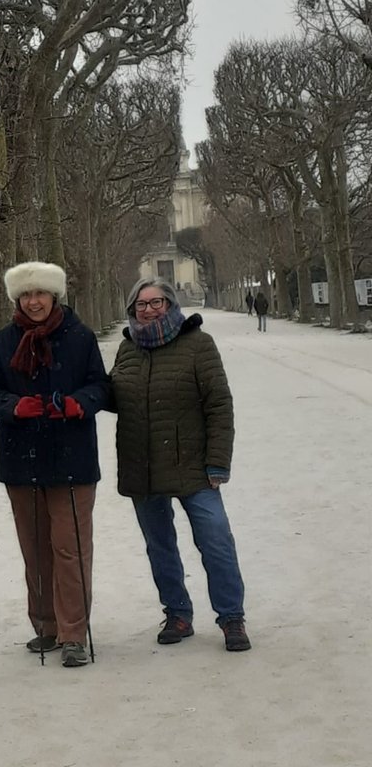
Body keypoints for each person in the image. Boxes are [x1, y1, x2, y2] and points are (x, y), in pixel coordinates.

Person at [0, 262, 109, 668]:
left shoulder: (81, 337)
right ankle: (45, 625)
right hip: (22, 458)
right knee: (35, 550)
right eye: (26, 295)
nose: (34, 302)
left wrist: (77, 404)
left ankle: (73, 632)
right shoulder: (3, 341)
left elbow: (100, 386)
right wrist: (13, 406)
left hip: (72, 458)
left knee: (70, 549)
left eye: (41, 294)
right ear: (18, 299)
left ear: (55, 296)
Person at [108, 277, 250, 652]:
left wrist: (218, 462)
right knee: (160, 546)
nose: (148, 309)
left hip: (195, 468)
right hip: (144, 467)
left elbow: (219, 405)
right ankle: (177, 613)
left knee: (216, 542)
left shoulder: (198, 344)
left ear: (170, 304)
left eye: (156, 302)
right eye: (141, 304)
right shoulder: (127, 348)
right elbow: (113, 395)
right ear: (132, 310)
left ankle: (231, 617)